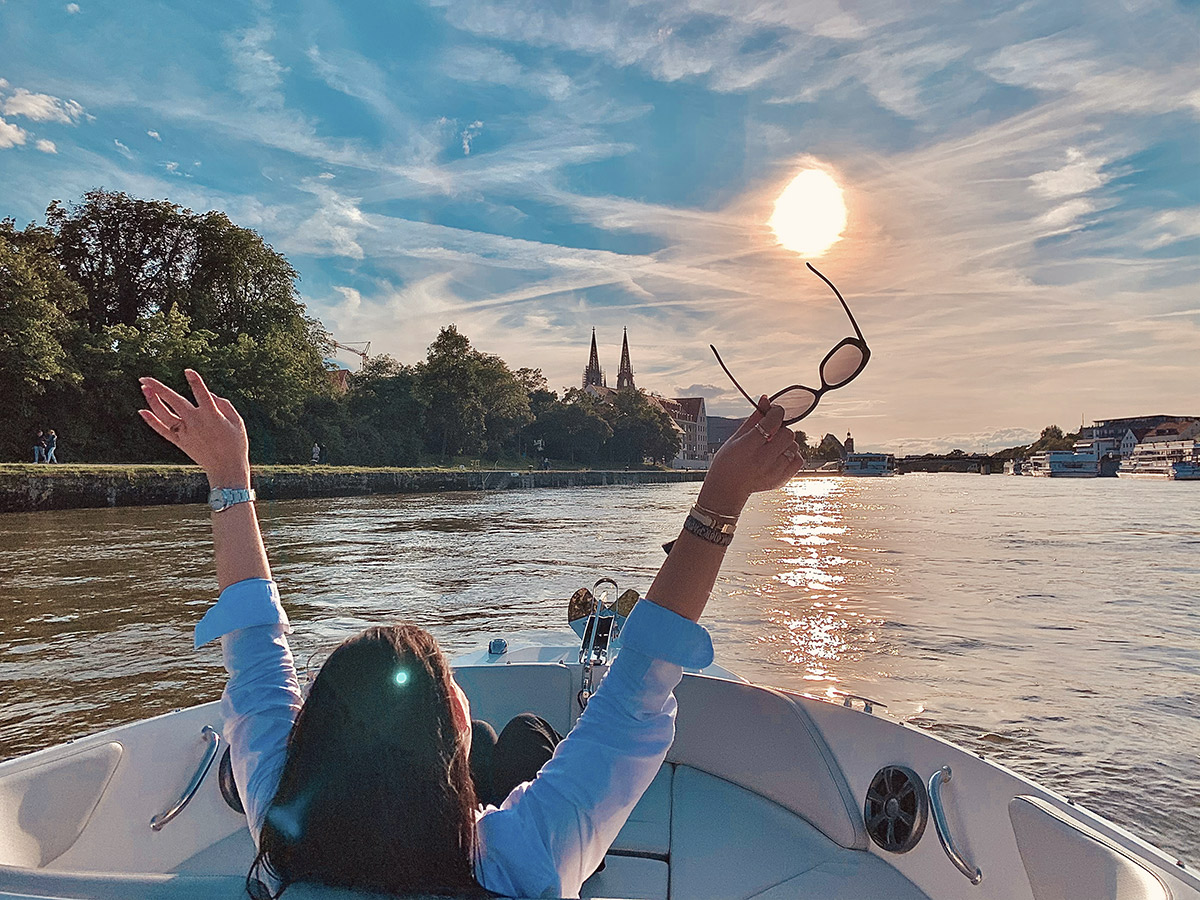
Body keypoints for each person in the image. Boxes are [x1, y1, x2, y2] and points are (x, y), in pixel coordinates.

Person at [137, 369, 804, 900]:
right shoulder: (520, 858)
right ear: (452, 725)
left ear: (317, 739)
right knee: (518, 740)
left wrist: (229, 479)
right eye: (454, 692)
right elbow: (638, 684)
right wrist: (721, 498)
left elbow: (255, 652)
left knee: (506, 743)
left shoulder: (282, 829)